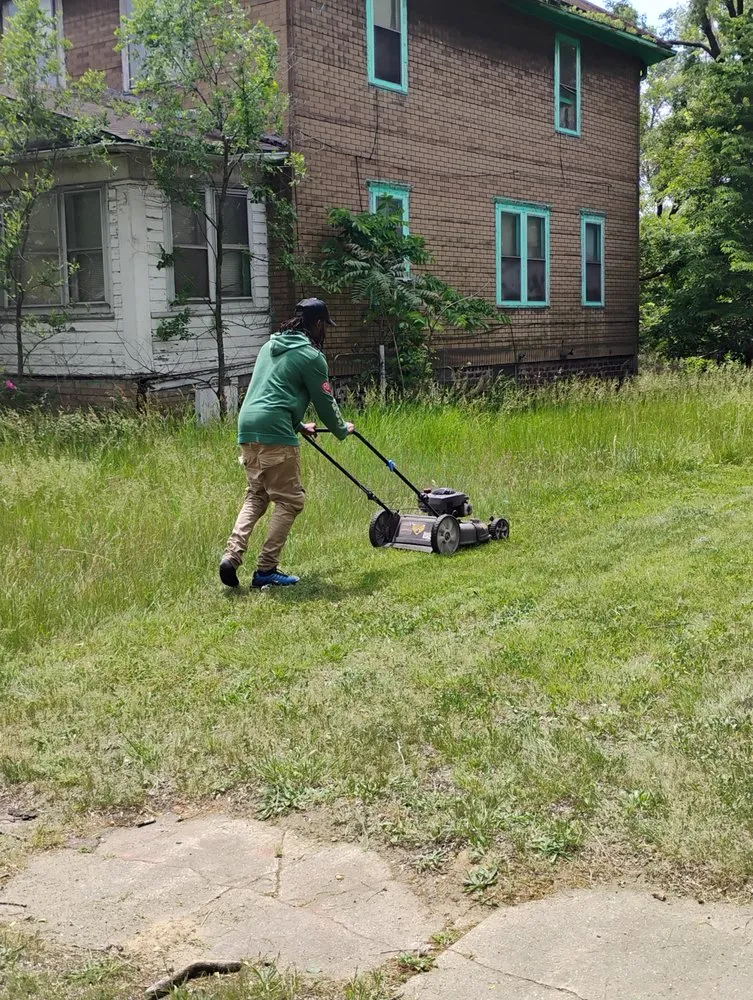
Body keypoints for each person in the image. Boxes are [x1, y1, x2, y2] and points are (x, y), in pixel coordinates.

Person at [219, 298, 354, 589]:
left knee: (257, 495)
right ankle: (266, 569)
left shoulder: (270, 347)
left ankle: (231, 556)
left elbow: (271, 391)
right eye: (325, 327)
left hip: (248, 427)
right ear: (317, 324)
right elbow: (325, 403)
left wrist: (298, 425)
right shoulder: (312, 357)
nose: (325, 333)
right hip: (275, 432)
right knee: (291, 500)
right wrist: (342, 429)